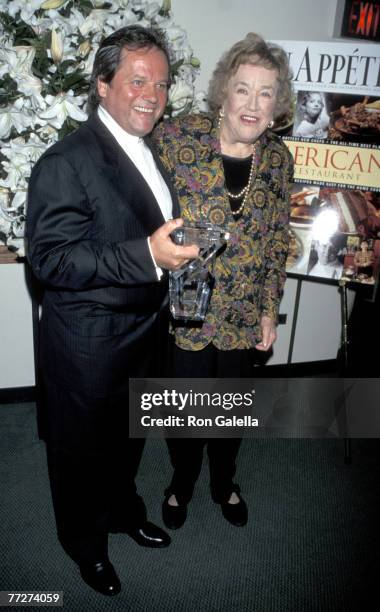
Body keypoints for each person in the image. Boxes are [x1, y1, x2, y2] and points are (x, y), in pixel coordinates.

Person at [26, 25, 198, 597]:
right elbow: (50, 260)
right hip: (88, 342)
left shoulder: (146, 148)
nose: (152, 93)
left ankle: (123, 513)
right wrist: (147, 253)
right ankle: (85, 545)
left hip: (144, 330)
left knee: (127, 440)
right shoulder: (65, 161)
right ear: (103, 85)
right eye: (137, 80)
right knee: (82, 454)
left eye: (162, 83)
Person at [153, 33, 293, 530]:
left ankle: (224, 481)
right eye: (243, 89)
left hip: (241, 313)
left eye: (265, 92)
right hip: (187, 312)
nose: (252, 104)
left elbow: (278, 238)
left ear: (278, 104)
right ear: (224, 92)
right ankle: (181, 482)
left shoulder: (278, 158)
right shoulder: (177, 138)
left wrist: (267, 308)